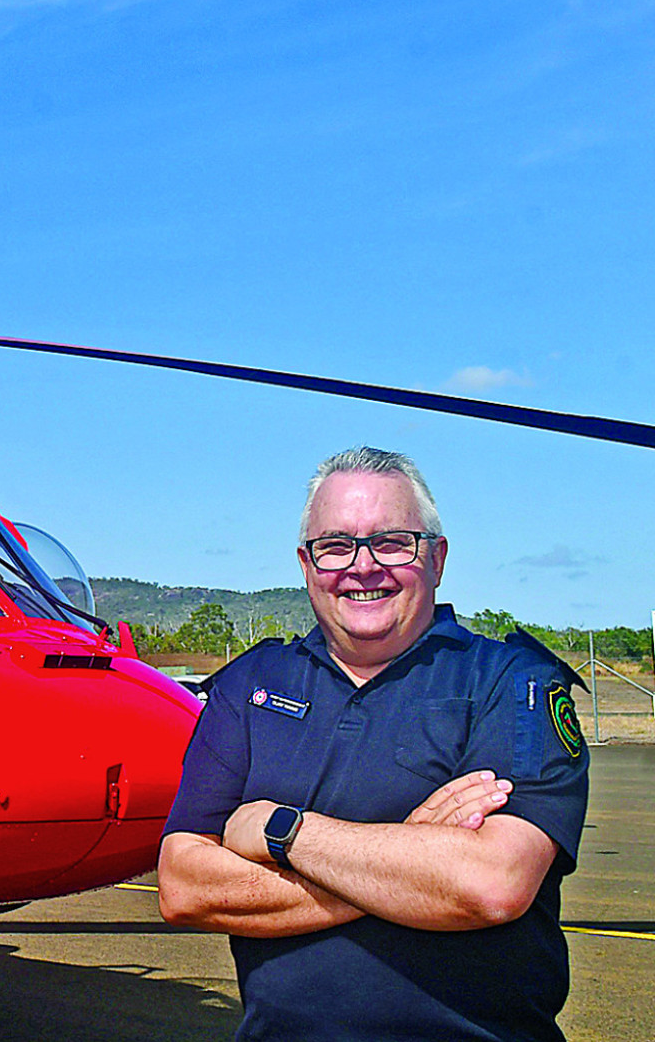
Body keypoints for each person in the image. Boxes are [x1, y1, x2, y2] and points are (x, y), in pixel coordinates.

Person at [157, 446, 589, 1042]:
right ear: (306, 564)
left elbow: (493, 885)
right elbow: (185, 887)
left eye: (392, 541)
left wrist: (281, 832)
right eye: (336, 545)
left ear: (436, 559)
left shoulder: (512, 684)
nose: (362, 567)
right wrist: (415, 860)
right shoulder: (250, 687)